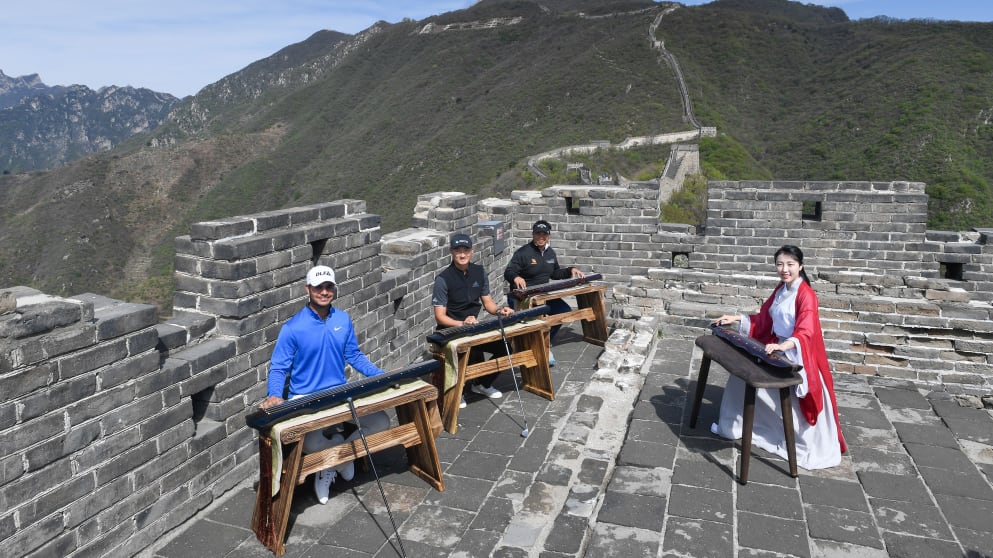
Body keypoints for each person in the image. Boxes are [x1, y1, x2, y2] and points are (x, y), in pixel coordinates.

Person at [260, 265, 390, 504]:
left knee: (382, 421)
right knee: (308, 441)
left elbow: (355, 356)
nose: (324, 292)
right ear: (307, 289)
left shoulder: (343, 319)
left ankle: (337, 458)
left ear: (334, 289)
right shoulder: (292, 328)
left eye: (328, 287)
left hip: (340, 393)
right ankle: (336, 459)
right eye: (318, 287)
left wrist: (380, 375)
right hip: (306, 398)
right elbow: (279, 367)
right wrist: (275, 395)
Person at [711, 245, 847, 470]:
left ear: (800, 266)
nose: (785, 269)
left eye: (790, 264)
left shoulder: (807, 295)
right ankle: (733, 427)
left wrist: (783, 345)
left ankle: (798, 443)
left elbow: (806, 331)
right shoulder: (782, 289)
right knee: (739, 377)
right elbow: (764, 319)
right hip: (776, 346)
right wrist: (735, 318)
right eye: (780, 264)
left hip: (795, 351)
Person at [432, 233, 515, 408]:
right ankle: (457, 390)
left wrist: (501, 310)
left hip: (473, 327)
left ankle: (482, 383)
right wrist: (462, 323)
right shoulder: (443, 279)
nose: (462, 254)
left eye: (466, 250)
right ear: (451, 252)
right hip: (450, 330)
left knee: (506, 346)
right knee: (460, 352)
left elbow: (488, 303)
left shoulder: (479, 272)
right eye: (458, 250)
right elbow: (440, 316)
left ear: (472, 251)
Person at [504, 219, 585, 366]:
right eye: (538, 234)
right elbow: (508, 272)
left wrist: (570, 270)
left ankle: (543, 342)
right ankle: (537, 346)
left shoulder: (550, 253)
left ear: (549, 236)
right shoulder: (523, 253)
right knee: (536, 320)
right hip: (523, 297)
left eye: (544, 234)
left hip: (542, 295)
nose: (541, 237)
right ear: (533, 235)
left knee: (564, 311)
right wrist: (516, 277)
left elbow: (554, 273)